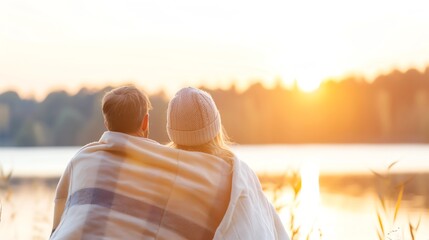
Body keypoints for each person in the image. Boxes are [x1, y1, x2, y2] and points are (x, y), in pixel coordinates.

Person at [166, 87, 289, 240]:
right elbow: (274, 230)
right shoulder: (240, 174)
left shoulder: (167, 180)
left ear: (173, 133)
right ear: (216, 129)